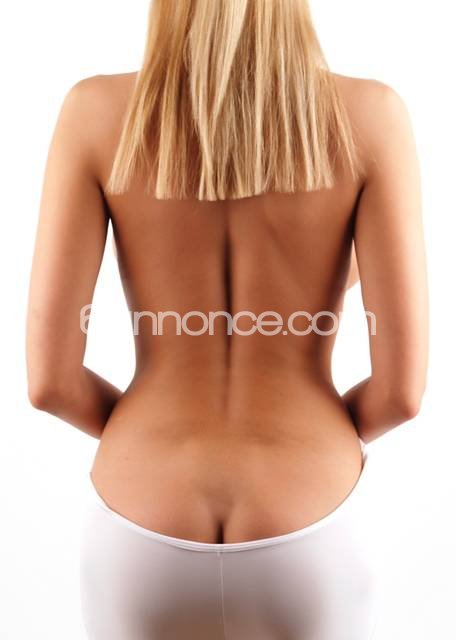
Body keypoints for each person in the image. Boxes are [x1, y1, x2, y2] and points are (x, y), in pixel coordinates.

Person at [26, 1, 428, 638]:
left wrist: (145, 435)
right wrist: (313, 439)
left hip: (139, 521)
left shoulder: (94, 113)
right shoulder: (371, 116)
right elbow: (402, 394)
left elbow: (50, 383)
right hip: (310, 519)